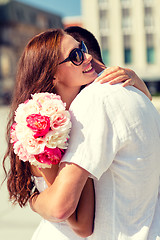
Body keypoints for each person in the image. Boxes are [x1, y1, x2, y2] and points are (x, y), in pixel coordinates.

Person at [3, 28, 152, 240]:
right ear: (52, 73)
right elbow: (80, 224)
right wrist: (34, 201)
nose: (88, 57)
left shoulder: (71, 116)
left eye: (82, 48)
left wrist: (135, 80)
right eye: (76, 55)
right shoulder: (43, 128)